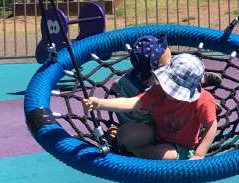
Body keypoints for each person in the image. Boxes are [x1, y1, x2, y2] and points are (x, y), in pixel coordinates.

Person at [86, 52, 217, 160]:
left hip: (180, 146)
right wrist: (100, 104)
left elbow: (211, 125)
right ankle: (130, 147)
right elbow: (133, 103)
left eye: (174, 90)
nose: (168, 92)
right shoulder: (159, 91)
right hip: (155, 132)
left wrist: (200, 154)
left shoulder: (203, 100)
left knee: (162, 155)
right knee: (124, 134)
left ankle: (133, 152)